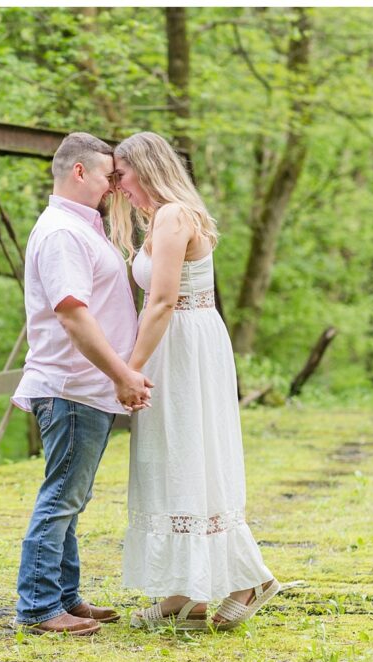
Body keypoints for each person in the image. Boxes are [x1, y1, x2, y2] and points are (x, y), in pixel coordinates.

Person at [110, 131, 278, 631]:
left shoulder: (173, 215)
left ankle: (250, 578)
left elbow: (161, 302)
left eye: (123, 174)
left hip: (181, 346)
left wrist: (129, 371)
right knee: (171, 457)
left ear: (146, 167)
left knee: (190, 453)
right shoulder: (159, 217)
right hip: (175, 341)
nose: (118, 185)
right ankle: (184, 593)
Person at [11, 132, 153, 636]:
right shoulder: (61, 234)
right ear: (78, 172)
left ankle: (65, 596)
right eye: (108, 175)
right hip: (73, 385)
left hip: (85, 387)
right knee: (61, 498)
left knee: (72, 496)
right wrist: (123, 374)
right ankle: (39, 607)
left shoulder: (80, 229)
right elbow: (73, 315)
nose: (115, 186)